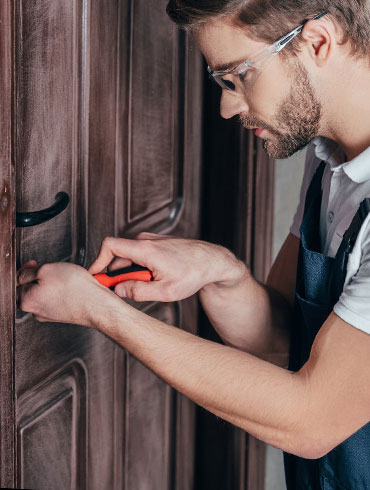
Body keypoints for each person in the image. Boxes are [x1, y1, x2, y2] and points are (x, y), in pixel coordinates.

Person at [16, 1, 370, 488]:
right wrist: (223, 273)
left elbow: (311, 420)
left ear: (318, 42)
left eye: (238, 76)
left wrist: (101, 311)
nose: (227, 106)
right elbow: (285, 342)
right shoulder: (329, 159)